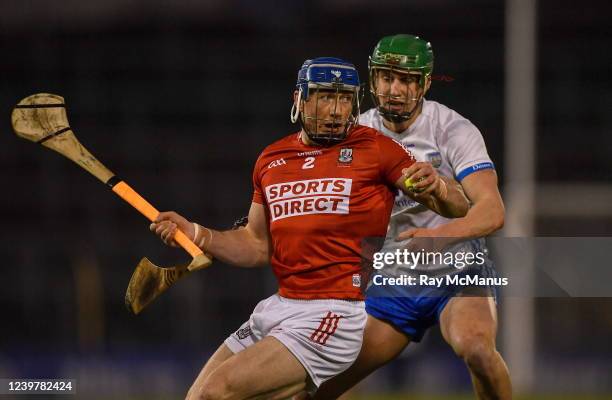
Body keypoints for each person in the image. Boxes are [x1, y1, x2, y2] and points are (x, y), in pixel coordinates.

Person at [149, 56, 470, 400]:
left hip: (333, 313)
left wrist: (438, 186)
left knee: (217, 392)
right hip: (278, 308)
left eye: (344, 98)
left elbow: (459, 205)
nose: (335, 110)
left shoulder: (376, 149)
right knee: (196, 398)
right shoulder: (272, 159)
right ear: (299, 100)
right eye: (325, 97)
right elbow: (256, 244)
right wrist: (196, 232)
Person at [311, 35, 512, 399]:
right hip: (391, 281)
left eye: (406, 79)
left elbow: (493, 210)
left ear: (424, 84)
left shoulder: (453, 130)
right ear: (373, 81)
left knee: (478, 350)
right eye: (387, 78)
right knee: (317, 385)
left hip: (458, 273)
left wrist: (440, 237)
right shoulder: (353, 136)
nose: (395, 89)